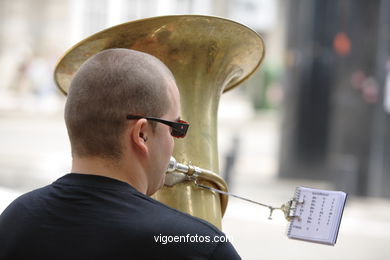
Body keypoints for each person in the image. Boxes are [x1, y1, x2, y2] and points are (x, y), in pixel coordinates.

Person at [0, 48, 240, 259]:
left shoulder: (14, 221)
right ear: (142, 134)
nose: (175, 142)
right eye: (176, 128)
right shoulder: (197, 244)